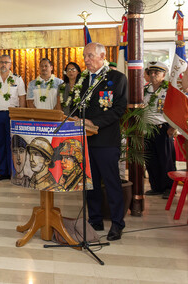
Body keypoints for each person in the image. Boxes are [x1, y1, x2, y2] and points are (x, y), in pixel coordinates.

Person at [78, 42, 128, 241]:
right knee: (90, 184)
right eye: (85, 56)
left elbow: (118, 109)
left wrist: (93, 122)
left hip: (106, 140)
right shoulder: (84, 80)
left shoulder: (116, 78)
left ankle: (117, 223)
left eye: (90, 56)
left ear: (102, 56)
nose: (86, 60)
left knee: (111, 182)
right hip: (86, 140)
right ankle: (95, 219)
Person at [0, 54, 26, 181]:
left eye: (6, 62)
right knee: (0, 144)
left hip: (12, 114)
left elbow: (22, 98)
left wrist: (20, 116)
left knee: (12, 144)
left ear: (10, 64)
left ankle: (13, 172)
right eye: (1, 62)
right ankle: (2, 172)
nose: (3, 64)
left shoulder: (17, 79)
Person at [142, 61, 176, 199]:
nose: (153, 75)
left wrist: (173, 127)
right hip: (147, 129)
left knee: (166, 159)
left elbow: (175, 109)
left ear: (164, 75)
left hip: (163, 129)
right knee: (150, 159)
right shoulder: (145, 89)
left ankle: (169, 188)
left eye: (157, 72)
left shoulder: (169, 90)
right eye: (151, 72)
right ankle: (156, 186)